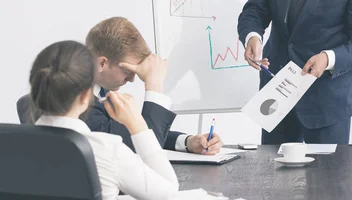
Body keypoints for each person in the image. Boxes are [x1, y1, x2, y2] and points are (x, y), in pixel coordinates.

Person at [30, 40, 179, 199]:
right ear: (86, 96)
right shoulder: (106, 150)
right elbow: (168, 194)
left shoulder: (9, 143)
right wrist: (138, 125)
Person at [237, 0, 352, 144]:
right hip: (277, 91)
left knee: (329, 167)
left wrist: (328, 58)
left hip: (327, 99)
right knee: (273, 165)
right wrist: (252, 36)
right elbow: (255, 10)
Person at [85, 17, 223, 154]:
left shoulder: (100, 93)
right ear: (102, 64)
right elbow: (141, 148)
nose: (132, 79)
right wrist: (154, 85)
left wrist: (188, 142)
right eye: (128, 71)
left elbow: (135, 131)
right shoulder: (81, 104)